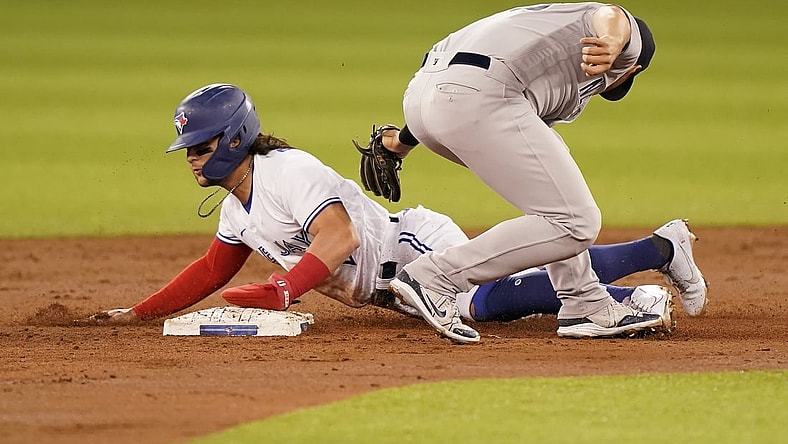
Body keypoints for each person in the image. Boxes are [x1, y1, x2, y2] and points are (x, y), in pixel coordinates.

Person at [93, 83, 705, 342]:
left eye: (199, 148)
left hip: (409, 253)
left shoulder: (288, 172)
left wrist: (284, 289)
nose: (192, 161)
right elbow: (211, 270)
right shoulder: (238, 201)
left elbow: (338, 238)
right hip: (386, 280)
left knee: (486, 302)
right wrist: (137, 314)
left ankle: (657, 253)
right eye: (187, 152)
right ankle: (658, 254)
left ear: (232, 139)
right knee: (512, 288)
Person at [376, 2, 708, 343]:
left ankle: (584, 304)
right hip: (478, 94)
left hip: (424, 98)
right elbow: (613, 15)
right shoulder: (623, 48)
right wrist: (612, 40)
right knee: (576, 222)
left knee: (554, 200)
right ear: (633, 69)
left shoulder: (541, 36)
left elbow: (452, 88)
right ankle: (435, 277)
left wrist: (400, 142)